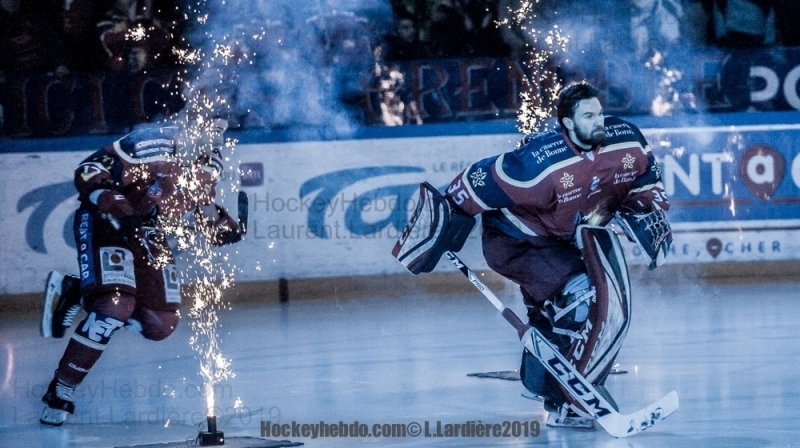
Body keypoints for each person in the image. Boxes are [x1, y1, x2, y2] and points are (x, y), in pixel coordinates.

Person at [443, 82, 672, 428]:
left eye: (599, 111)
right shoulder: (539, 164)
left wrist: (648, 206)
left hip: (563, 242)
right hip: (516, 242)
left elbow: (647, 178)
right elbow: (473, 183)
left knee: (558, 313)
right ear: (567, 123)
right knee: (583, 297)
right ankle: (570, 402)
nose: (599, 120)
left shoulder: (626, 141)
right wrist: (443, 223)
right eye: (588, 115)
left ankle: (547, 386)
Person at [39, 118, 244, 426]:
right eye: (207, 128)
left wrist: (221, 227)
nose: (212, 139)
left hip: (147, 233)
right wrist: (117, 205)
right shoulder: (150, 141)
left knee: (161, 323)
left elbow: (200, 204)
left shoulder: (210, 158)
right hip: (107, 223)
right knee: (114, 307)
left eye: (216, 133)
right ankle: (62, 388)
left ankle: (77, 293)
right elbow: (88, 171)